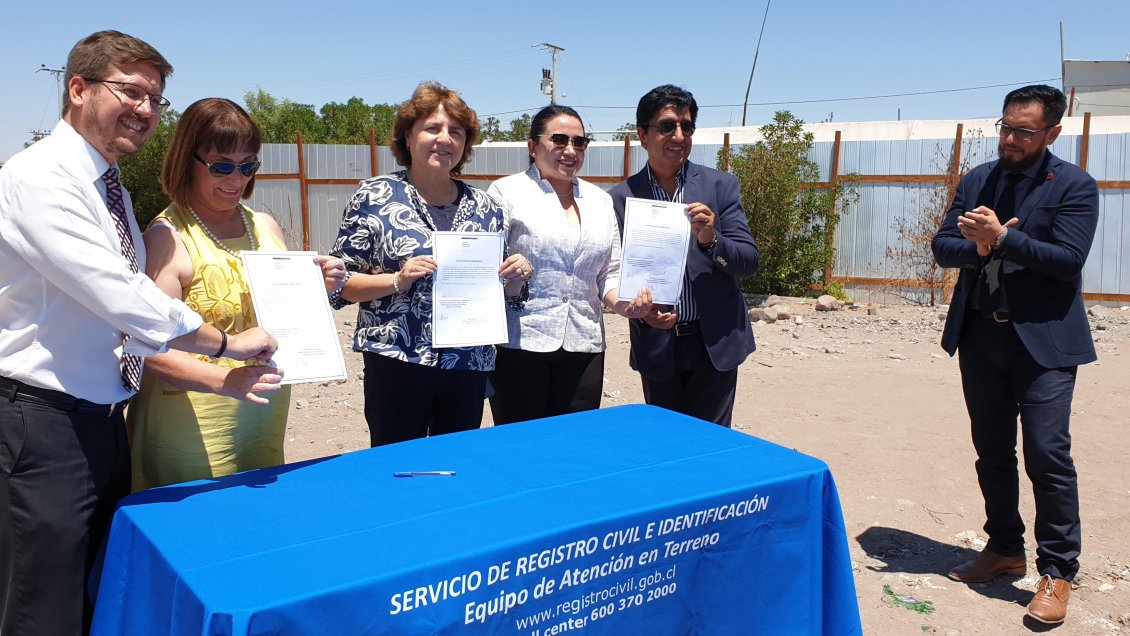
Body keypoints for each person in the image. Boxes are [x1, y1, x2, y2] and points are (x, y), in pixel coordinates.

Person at [0, 31, 276, 635]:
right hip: (42, 423)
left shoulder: (111, 188)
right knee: (41, 607)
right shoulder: (41, 178)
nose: (145, 109)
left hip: (102, 422)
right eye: (130, 91)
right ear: (78, 89)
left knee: (97, 593)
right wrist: (225, 345)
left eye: (155, 98)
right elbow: (122, 296)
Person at [932, 85, 1099, 626]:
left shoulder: (1074, 185)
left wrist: (1003, 239)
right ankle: (1004, 547)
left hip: (1043, 344)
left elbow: (1068, 259)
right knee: (992, 450)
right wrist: (979, 246)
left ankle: (1057, 570)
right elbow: (942, 246)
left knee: (1047, 454)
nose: (1010, 139)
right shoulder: (979, 179)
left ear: (1052, 132)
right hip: (982, 337)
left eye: (1024, 131)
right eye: (1005, 127)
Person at [127, 98, 347, 491]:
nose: (236, 178)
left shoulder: (265, 226)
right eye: (222, 166)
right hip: (191, 428)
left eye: (247, 166)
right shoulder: (166, 239)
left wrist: (317, 285)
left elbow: (277, 313)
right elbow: (150, 347)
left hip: (259, 414)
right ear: (186, 162)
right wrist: (225, 381)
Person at [330, 82, 529, 446]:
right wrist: (397, 280)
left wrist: (515, 277)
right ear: (408, 136)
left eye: (456, 132)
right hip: (397, 361)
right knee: (397, 463)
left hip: (467, 364)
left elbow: (502, 294)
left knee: (456, 462)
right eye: (433, 128)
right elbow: (340, 285)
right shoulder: (374, 196)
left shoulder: (489, 208)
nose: (445, 139)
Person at [486, 106, 652, 424]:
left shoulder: (600, 200)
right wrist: (510, 274)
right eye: (559, 140)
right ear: (533, 146)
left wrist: (626, 305)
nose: (571, 150)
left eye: (579, 142)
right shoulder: (505, 193)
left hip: (584, 343)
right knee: (522, 443)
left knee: (576, 441)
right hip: (521, 343)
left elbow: (609, 272)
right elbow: (486, 267)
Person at [609, 85, 759, 427]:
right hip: (657, 344)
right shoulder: (621, 199)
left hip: (715, 342)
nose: (679, 136)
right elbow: (612, 273)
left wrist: (711, 239)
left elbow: (748, 261)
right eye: (667, 126)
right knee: (667, 442)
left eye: (686, 126)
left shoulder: (720, 187)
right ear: (643, 135)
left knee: (710, 443)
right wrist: (641, 313)